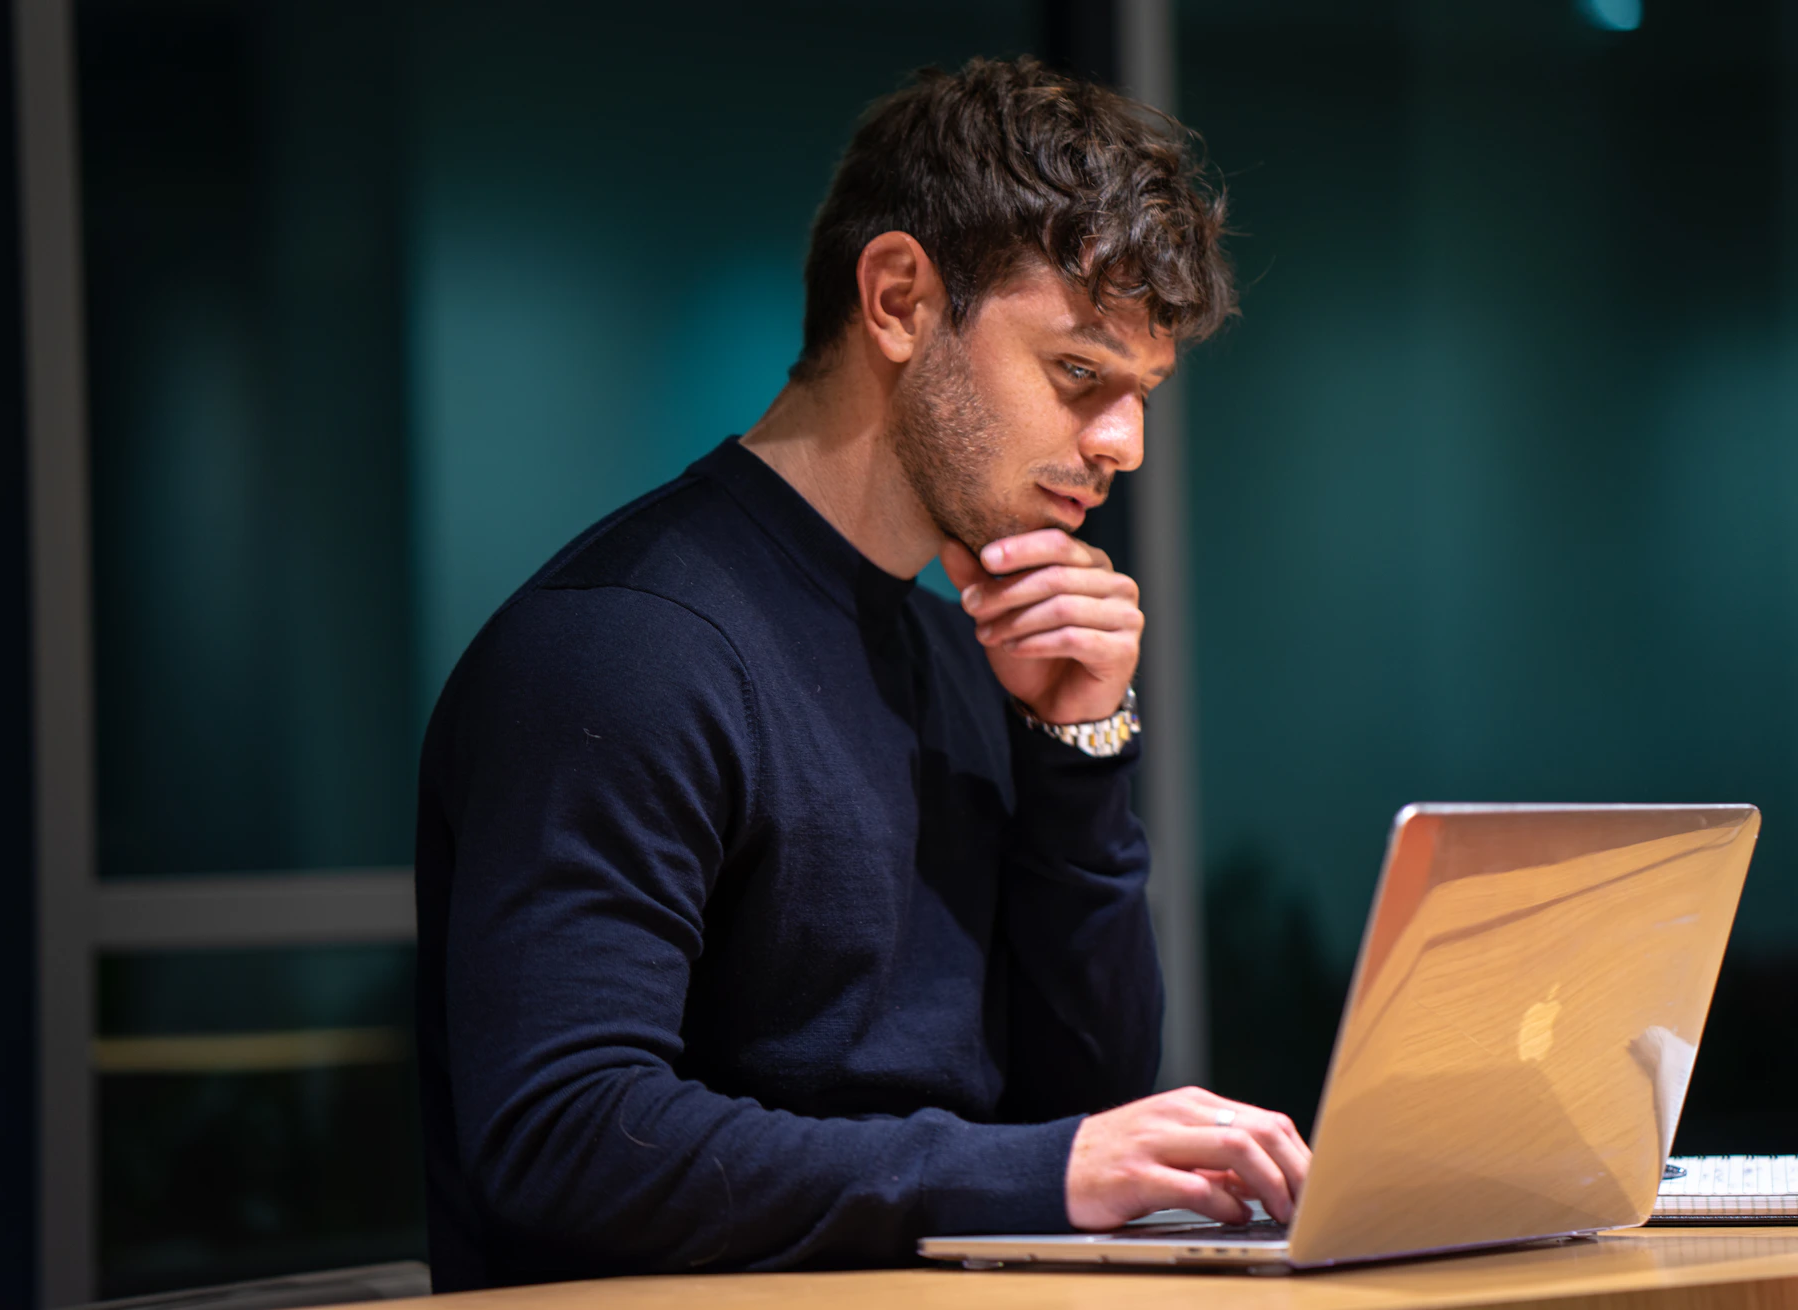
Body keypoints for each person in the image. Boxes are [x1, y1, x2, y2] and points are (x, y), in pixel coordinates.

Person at [413, 56, 1310, 1290]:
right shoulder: (624, 646)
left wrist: (1078, 752)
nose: (1125, 445)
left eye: (1140, 393)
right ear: (895, 298)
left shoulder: (962, 656)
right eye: (1079, 375)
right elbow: (563, 1137)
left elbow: (1085, 1103)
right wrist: (1025, 1175)